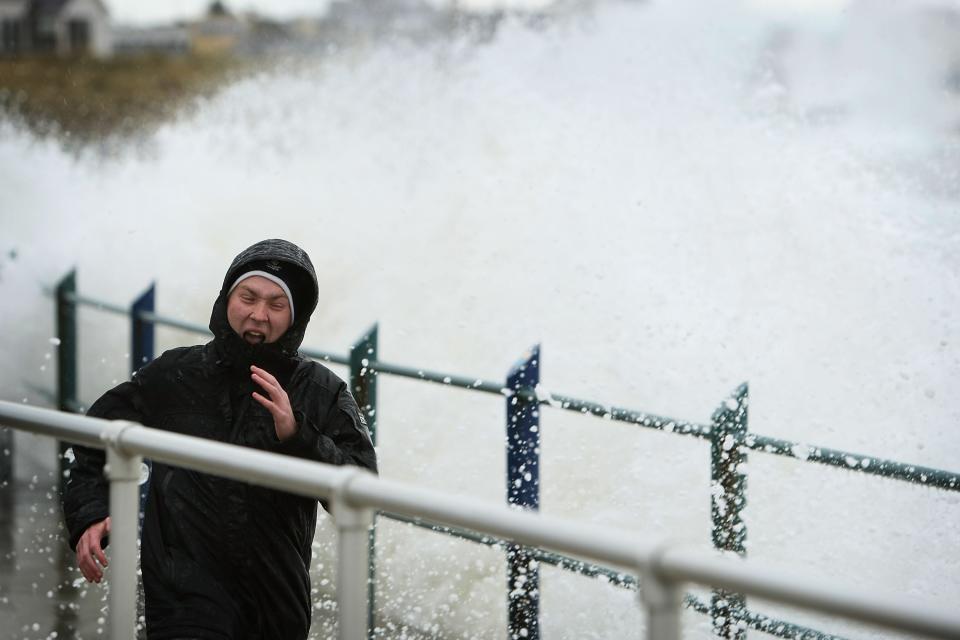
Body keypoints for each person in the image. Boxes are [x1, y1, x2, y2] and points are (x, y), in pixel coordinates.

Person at [62, 238, 378, 640]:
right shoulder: (176, 374)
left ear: (296, 317)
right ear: (227, 297)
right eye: (248, 296)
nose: (259, 315)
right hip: (182, 597)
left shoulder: (320, 390)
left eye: (277, 304)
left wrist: (297, 434)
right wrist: (89, 512)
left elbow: (362, 491)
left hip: (276, 606)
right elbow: (96, 436)